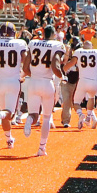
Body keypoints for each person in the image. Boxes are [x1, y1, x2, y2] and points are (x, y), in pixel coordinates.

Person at [22, 25, 65, 157]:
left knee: (34, 115)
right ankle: (42, 148)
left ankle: (29, 120)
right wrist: (62, 77)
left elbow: (25, 67)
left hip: (34, 82)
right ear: (53, 34)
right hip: (47, 83)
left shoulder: (33, 42)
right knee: (46, 117)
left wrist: (34, 75)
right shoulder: (57, 45)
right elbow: (55, 66)